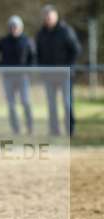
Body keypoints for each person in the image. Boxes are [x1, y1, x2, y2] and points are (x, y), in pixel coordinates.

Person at [36, 5, 81, 136]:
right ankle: (54, 130)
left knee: (67, 103)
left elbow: (76, 50)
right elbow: (38, 54)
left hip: (65, 75)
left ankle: (70, 130)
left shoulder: (65, 31)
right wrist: (41, 69)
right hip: (49, 76)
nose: (48, 19)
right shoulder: (41, 34)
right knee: (51, 105)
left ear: (55, 16)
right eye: (46, 17)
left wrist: (68, 67)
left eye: (50, 16)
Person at [0, 15, 35, 135]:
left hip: (22, 77)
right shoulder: (4, 41)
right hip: (8, 77)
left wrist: (29, 70)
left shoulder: (27, 41)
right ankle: (16, 129)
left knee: (25, 102)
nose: (14, 28)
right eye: (12, 26)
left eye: (16, 26)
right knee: (11, 104)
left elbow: (33, 57)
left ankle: (30, 127)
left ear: (21, 27)